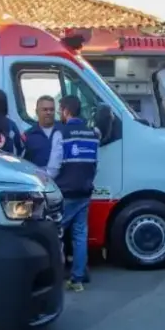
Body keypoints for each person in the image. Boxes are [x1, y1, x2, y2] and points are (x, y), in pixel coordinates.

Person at [56, 95, 99, 292]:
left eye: (59, 110)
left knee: (55, 234)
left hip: (65, 191)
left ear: (66, 111)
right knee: (80, 235)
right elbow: (94, 163)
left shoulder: (61, 132)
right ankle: (78, 279)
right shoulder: (92, 133)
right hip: (84, 190)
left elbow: (55, 164)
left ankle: (53, 278)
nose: (58, 114)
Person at [22, 95, 63, 172]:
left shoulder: (64, 131)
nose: (49, 112)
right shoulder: (28, 135)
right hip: (38, 181)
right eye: (45, 109)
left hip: (61, 182)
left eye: (51, 109)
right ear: (37, 112)